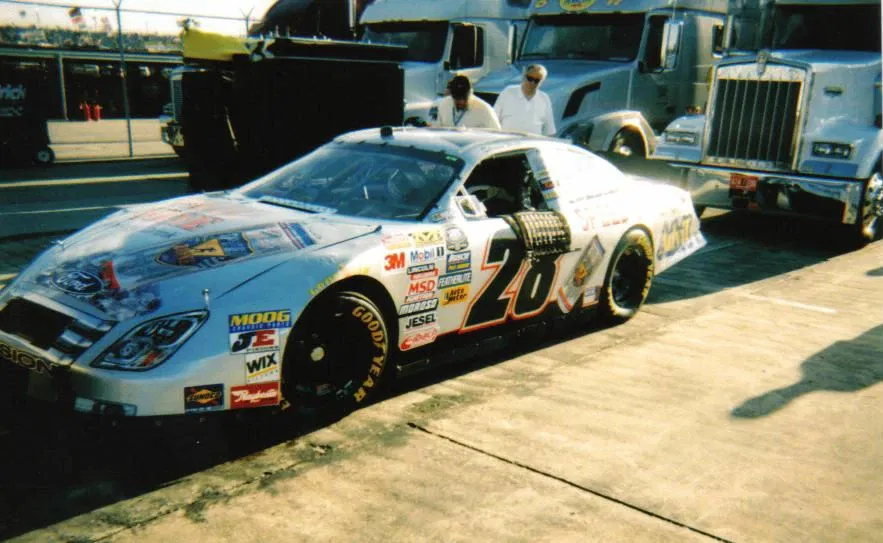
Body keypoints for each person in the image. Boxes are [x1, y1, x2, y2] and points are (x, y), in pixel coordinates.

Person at [494, 64, 556, 136]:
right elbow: (493, 119)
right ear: (524, 76)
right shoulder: (508, 92)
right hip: (508, 144)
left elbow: (550, 131)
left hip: (531, 145)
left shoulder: (544, 99)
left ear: (541, 82)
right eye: (530, 78)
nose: (532, 83)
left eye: (536, 80)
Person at [435, 75, 501, 130]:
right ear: (452, 95)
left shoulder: (485, 110)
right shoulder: (443, 105)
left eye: (464, 98)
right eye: (457, 98)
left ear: (470, 93)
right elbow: (438, 133)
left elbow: (497, 136)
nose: (461, 101)